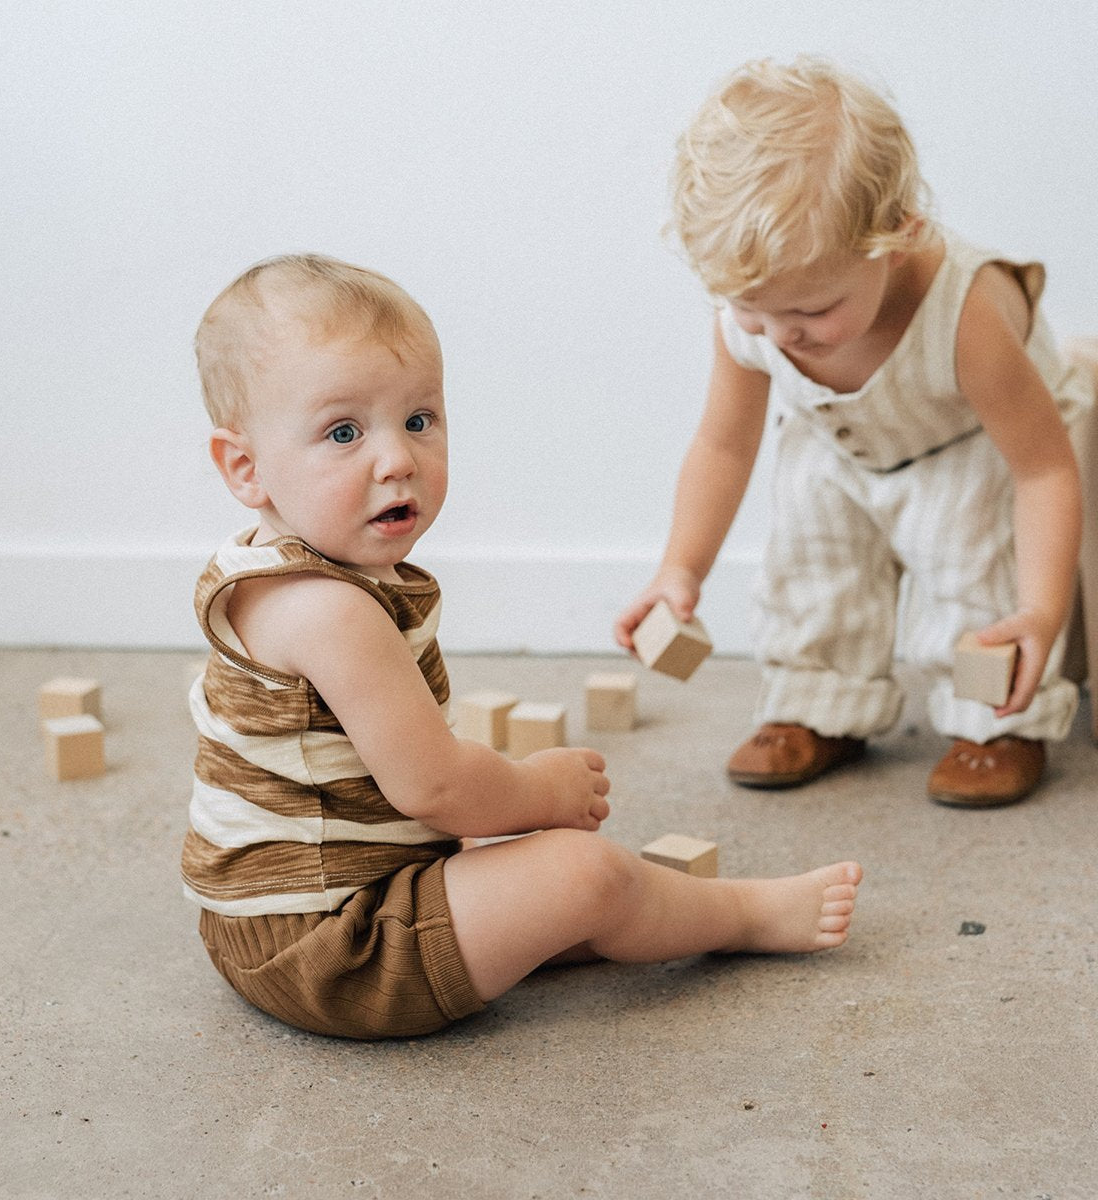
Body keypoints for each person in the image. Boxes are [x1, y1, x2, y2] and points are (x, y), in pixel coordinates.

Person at [183, 252, 863, 1040]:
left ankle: (622, 913)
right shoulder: (328, 609)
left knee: (538, 881)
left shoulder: (267, 567)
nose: (397, 458)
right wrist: (538, 793)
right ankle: (743, 915)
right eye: (343, 432)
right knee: (587, 870)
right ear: (245, 467)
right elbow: (432, 787)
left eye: (418, 420)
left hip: (271, 920)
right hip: (337, 950)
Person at [616, 57, 1090, 808]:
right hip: (839, 442)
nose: (780, 337)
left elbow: (1043, 471)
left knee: (974, 571)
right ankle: (819, 702)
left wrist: (1038, 609)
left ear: (897, 235)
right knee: (811, 568)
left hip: (973, 444)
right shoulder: (760, 319)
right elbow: (723, 445)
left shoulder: (964, 316)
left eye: (809, 315)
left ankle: (997, 720)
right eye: (754, 313)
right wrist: (681, 568)